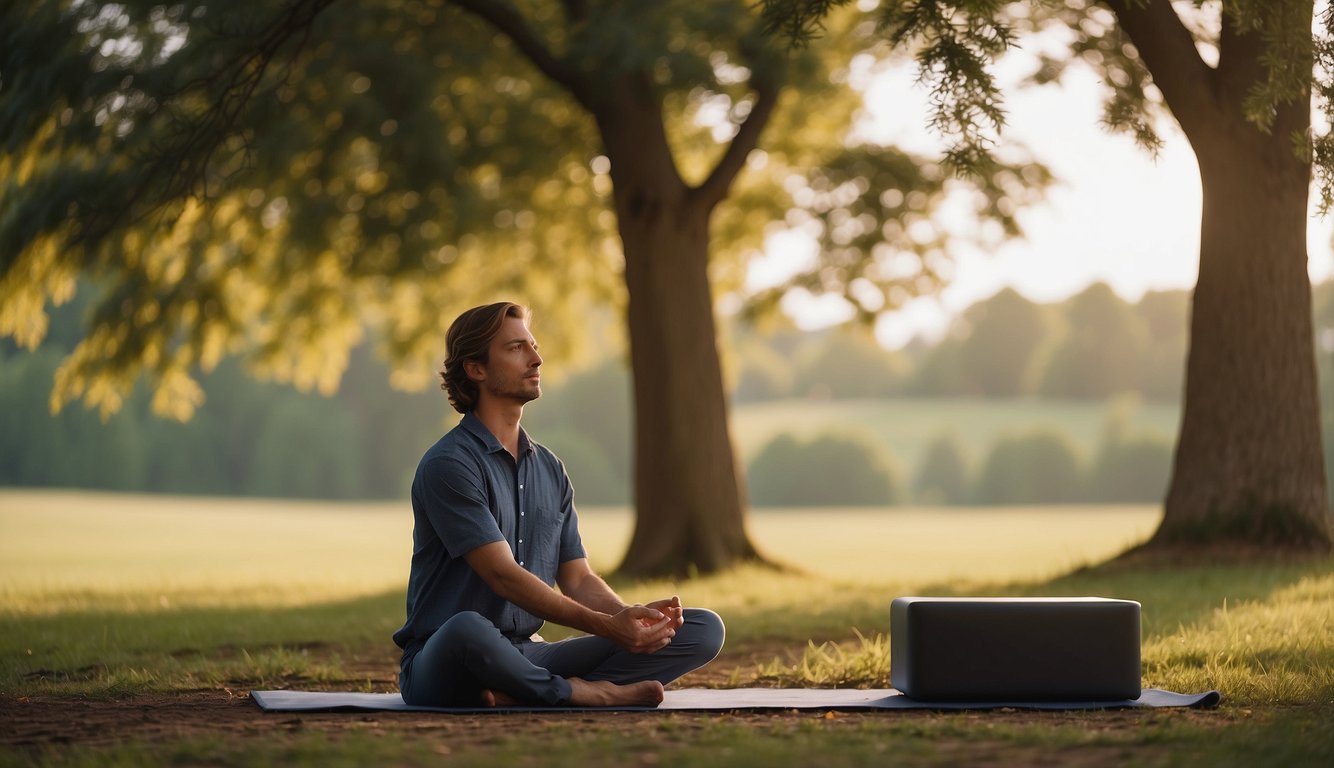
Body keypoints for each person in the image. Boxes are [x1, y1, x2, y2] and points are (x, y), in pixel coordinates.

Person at [393, 301, 725, 707]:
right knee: (467, 629)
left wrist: (631, 622)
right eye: (516, 349)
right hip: (447, 659)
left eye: (532, 345)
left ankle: (515, 692)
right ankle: (576, 693)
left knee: (703, 628)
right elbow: (503, 577)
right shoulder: (449, 465)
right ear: (476, 369)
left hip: (532, 654)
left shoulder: (549, 468)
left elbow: (579, 579)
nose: (536, 358)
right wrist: (609, 627)